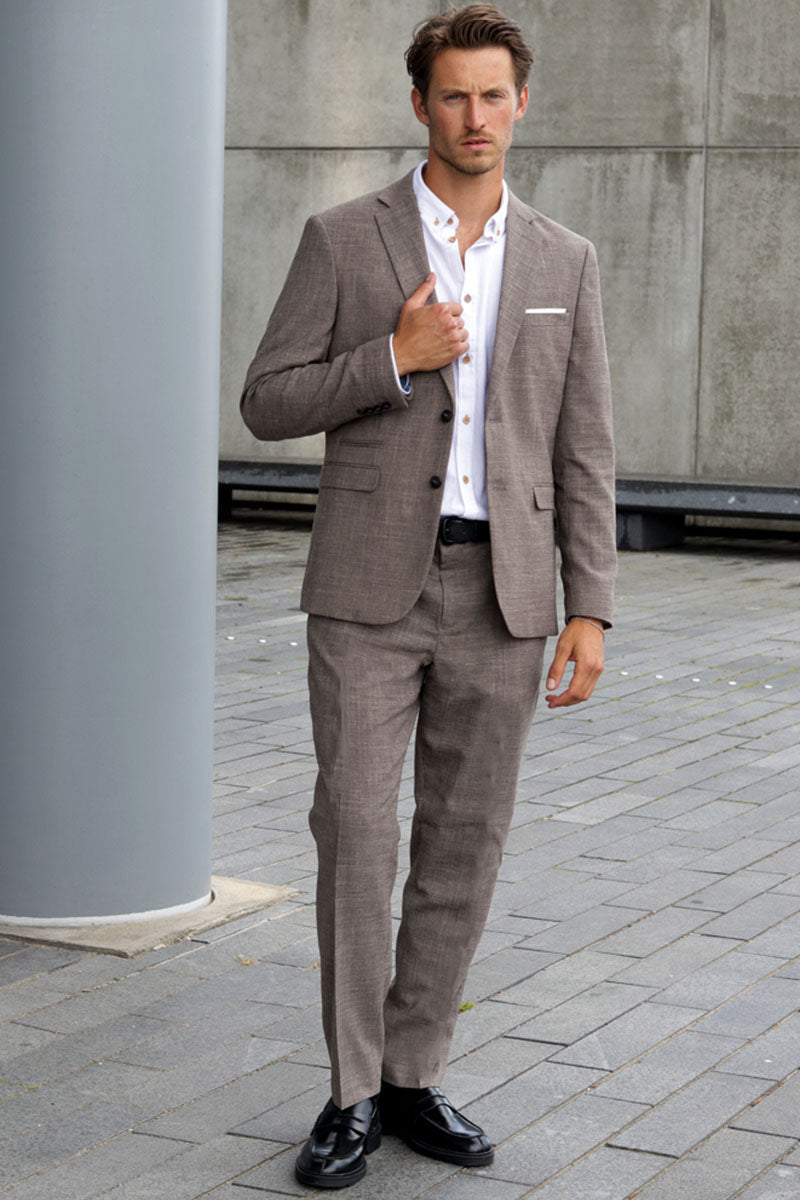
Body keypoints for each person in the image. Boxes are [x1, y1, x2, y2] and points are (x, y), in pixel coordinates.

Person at [240, 4, 616, 1188]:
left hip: (505, 592)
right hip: (367, 589)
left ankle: (412, 1075)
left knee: (465, 839)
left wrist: (590, 606)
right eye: (452, 94)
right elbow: (266, 399)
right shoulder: (342, 238)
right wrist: (390, 361)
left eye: (492, 94)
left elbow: (583, 446)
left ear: (520, 103)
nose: (473, 116)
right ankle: (350, 1093)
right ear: (419, 105)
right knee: (355, 831)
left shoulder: (562, 260)